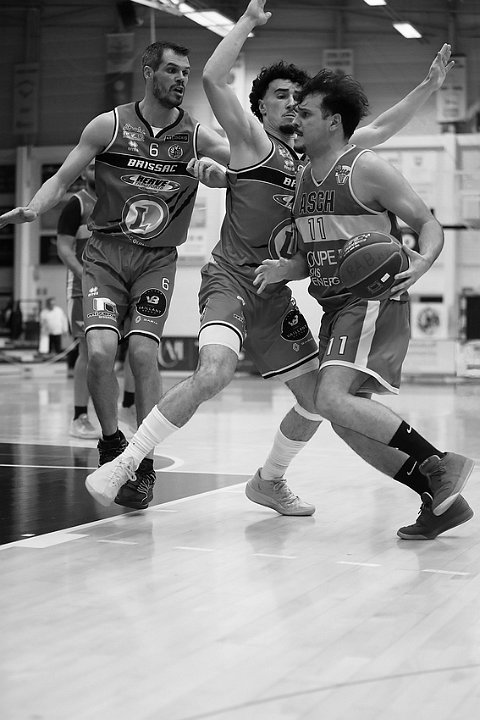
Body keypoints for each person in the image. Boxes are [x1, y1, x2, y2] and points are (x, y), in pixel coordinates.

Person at [83, 0, 461, 538]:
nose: (292, 105)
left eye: (298, 100)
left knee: (318, 402)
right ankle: (126, 462)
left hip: (276, 294)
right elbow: (213, 79)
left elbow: (378, 128)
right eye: (281, 96)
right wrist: (246, 23)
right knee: (216, 371)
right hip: (231, 281)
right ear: (259, 106)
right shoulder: (253, 143)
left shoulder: (317, 160)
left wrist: (426, 88)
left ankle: (270, 480)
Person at [0, 41, 230, 509]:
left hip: (156, 260)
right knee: (101, 353)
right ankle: (110, 444)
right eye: (172, 70)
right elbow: (61, 180)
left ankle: (143, 464)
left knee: (143, 354)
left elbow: (247, 163)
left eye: (186, 72)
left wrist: (223, 172)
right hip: (105, 256)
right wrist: (34, 208)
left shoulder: (197, 136)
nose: (181, 79)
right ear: (148, 72)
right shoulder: (108, 125)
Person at [252, 66, 474, 538]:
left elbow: (426, 222)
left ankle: (439, 462)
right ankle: (438, 501)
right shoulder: (302, 177)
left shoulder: (365, 167)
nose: (296, 119)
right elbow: (315, 255)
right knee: (345, 419)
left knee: (330, 399)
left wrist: (424, 261)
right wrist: (286, 269)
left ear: (333, 121)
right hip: (335, 308)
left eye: (306, 113)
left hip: (371, 299)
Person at [57, 161, 99, 439]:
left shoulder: (116, 199)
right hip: (81, 288)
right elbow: (64, 249)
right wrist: (86, 276)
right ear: (83, 172)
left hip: (111, 287)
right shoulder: (76, 204)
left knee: (108, 353)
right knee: (88, 351)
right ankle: (79, 417)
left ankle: (122, 410)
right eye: (91, 167)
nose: (97, 171)